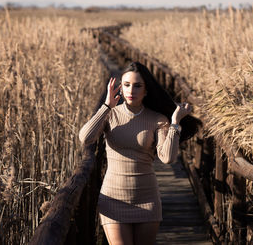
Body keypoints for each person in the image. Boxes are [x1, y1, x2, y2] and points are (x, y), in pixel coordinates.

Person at [79, 62, 199, 245]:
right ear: (120, 86)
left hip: (147, 199)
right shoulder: (111, 114)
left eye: (137, 86)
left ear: (146, 90)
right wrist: (106, 105)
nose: (131, 90)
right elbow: (85, 138)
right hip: (113, 198)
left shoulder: (157, 119)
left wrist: (175, 122)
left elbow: (167, 158)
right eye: (126, 84)